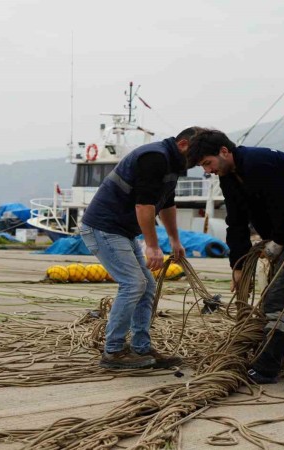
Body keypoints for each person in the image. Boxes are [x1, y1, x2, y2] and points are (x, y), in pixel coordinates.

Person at [186, 129, 284, 384]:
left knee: (277, 301)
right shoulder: (229, 176)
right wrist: (237, 267)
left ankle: (267, 367)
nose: (208, 170)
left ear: (224, 151)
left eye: (207, 163)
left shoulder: (260, 164)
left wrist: (277, 243)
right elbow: (236, 222)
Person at [80, 128, 201, 370]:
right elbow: (144, 206)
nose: (199, 164)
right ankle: (113, 351)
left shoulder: (174, 163)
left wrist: (175, 240)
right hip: (104, 228)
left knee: (147, 287)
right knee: (133, 284)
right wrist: (153, 246)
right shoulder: (154, 157)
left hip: (122, 232)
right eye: (198, 157)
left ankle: (141, 348)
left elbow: (167, 203)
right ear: (183, 145)